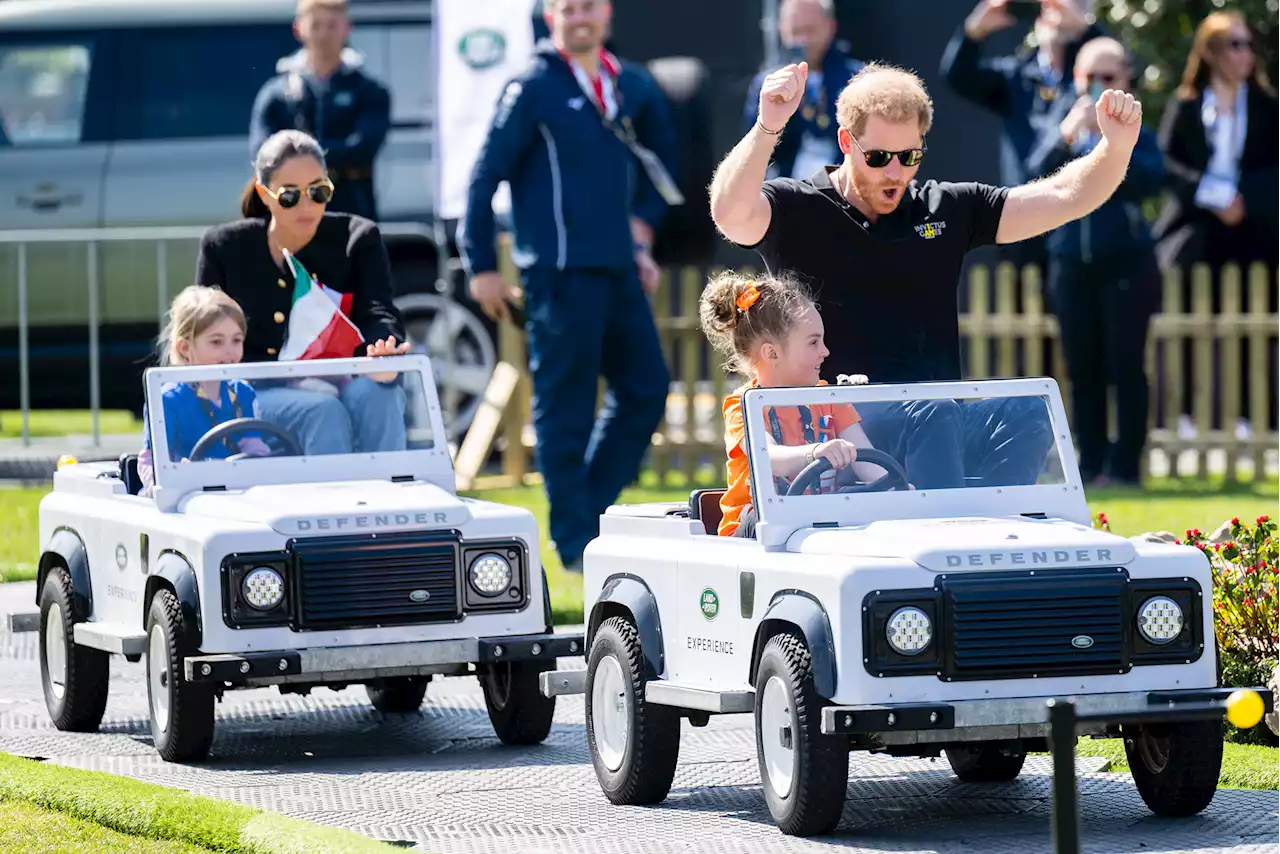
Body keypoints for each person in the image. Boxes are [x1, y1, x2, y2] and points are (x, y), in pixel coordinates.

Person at [708, 60, 1145, 488]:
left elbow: (1064, 196)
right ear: (845, 140)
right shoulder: (798, 206)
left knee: (1027, 409)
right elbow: (729, 213)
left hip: (939, 420)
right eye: (878, 157)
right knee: (934, 409)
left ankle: (988, 532)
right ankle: (943, 533)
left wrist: (1116, 149)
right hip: (840, 427)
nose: (895, 172)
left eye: (910, 155)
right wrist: (768, 125)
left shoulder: (946, 208)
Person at [460, 0, 680, 573]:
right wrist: (481, 264)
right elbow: (484, 176)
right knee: (567, 410)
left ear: (607, 13)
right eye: (567, 8)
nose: (579, 18)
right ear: (550, 16)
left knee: (647, 389)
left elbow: (664, 167)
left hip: (618, 268)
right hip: (558, 274)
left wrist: (641, 235)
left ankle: (592, 518)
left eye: (588, 7)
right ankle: (575, 544)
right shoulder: (532, 84)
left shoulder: (625, 81)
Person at [196, 130, 409, 457]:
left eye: (318, 191)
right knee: (321, 410)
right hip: (255, 389)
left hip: (341, 376)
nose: (307, 205)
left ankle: (391, 498)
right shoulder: (224, 248)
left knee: (379, 393)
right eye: (290, 195)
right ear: (264, 194)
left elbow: (378, 311)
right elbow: (205, 332)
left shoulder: (357, 238)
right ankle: (333, 506)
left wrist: (382, 350)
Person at [1026, 37, 1165, 486]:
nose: (1096, 87)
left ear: (1126, 79)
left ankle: (1126, 468)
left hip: (1125, 259)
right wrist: (1067, 135)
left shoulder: (1136, 126)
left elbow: (1150, 181)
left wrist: (1111, 146)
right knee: (1081, 366)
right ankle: (1089, 466)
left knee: (1124, 365)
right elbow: (1032, 176)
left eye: (1108, 78)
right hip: (1070, 260)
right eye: (1088, 77)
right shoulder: (1060, 117)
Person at [1153, 10, 1280, 442]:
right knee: (1188, 323)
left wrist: (1244, 198)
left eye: (1249, 45)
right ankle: (1186, 416)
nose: (1246, 54)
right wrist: (1212, 194)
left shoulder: (1266, 106)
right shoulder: (1186, 105)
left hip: (1252, 232)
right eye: (1235, 45)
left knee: (1252, 325)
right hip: (1198, 230)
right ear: (1211, 52)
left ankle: (1250, 419)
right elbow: (1165, 165)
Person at [699, 271, 898, 538]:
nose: (826, 351)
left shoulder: (827, 398)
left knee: (861, 501)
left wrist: (895, 491)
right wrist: (816, 452)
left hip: (815, 521)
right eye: (814, 342)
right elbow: (769, 459)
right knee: (766, 517)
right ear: (772, 353)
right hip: (753, 531)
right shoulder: (743, 405)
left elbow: (866, 461)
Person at [249, 0, 391, 222]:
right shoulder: (276, 94)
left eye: (332, 26)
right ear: (298, 28)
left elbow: (362, 149)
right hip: (290, 214)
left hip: (351, 213)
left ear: (347, 28)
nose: (324, 35)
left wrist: (295, 156)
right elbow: (262, 154)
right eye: (316, 25)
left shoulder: (369, 92)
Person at [137, 286, 270, 491]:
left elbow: (253, 445)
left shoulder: (242, 393)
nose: (229, 351)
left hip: (236, 494)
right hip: (185, 500)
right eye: (216, 342)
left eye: (237, 340)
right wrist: (172, 476)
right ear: (185, 348)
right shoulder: (168, 399)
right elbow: (150, 462)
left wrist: (262, 466)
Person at [743, 0, 865, 181]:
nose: (802, 41)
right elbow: (754, 149)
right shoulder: (769, 83)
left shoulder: (857, 78)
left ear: (830, 27)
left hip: (845, 185)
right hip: (787, 188)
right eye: (795, 32)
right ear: (782, 30)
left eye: (810, 31)